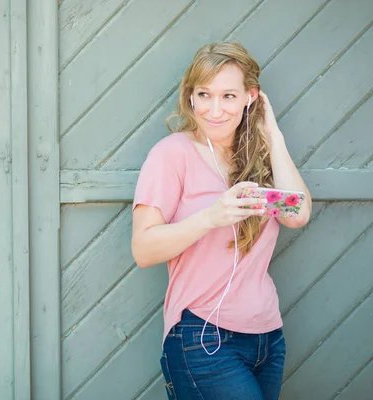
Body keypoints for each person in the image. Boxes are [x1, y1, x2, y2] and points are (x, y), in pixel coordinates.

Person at [131, 42, 312, 400]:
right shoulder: (171, 155)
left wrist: (272, 136)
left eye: (229, 95)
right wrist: (211, 217)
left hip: (267, 338)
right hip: (203, 339)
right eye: (204, 95)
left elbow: (297, 213)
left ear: (250, 97)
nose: (215, 110)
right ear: (191, 97)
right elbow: (143, 249)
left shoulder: (257, 159)